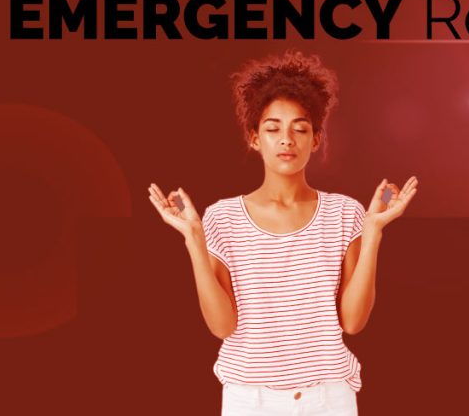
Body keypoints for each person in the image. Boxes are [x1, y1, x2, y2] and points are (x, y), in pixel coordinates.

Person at [148, 50, 418, 415]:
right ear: (254, 138)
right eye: (273, 128)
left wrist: (372, 233)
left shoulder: (345, 214)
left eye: (300, 128)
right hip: (249, 399)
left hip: (329, 398)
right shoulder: (222, 218)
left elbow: (353, 322)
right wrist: (194, 240)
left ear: (316, 139)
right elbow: (222, 326)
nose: (287, 139)